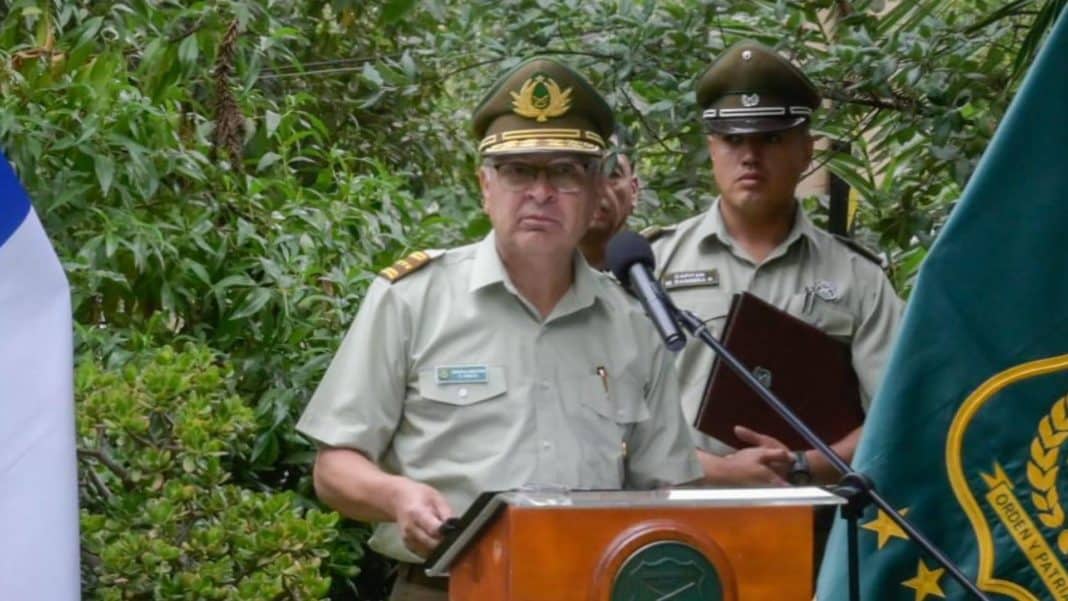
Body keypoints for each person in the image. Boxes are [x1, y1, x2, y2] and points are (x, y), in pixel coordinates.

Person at [297, 57, 701, 601]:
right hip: (445, 587)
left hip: (592, 587)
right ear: (484, 185)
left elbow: (666, 488)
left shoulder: (632, 323)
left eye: (564, 171)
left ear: (598, 189)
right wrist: (397, 497)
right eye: (518, 170)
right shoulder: (413, 299)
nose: (540, 192)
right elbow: (334, 466)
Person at [647, 41, 904, 487]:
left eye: (770, 138)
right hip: (685, 520)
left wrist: (803, 466)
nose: (750, 156)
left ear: (805, 151)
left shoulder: (857, 276)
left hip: (814, 521)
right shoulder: (653, 265)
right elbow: (619, 418)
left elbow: (895, 413)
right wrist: (722, 472)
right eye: (733, 140)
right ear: (712, 149)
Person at [579, 138, 639, 270]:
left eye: (612, 174)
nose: (596, 187)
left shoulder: (662, 264)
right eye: (582, 171)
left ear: (633, 191)